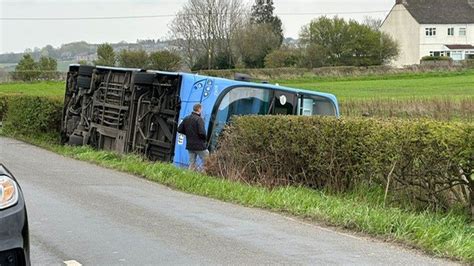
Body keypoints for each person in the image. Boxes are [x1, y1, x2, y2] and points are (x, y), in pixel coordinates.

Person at [177, 103, 209, 170]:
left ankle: (189, 176)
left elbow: (179, 129)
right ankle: (205, 176)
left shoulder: (186, 118)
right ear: (199, 109)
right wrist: (205, 140)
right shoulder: (199, 119)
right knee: (207, 161)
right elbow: (202, 133)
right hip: (199, 146)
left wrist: (188, 134)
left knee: (191, 163)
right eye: (201, 109)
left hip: (190, 145)